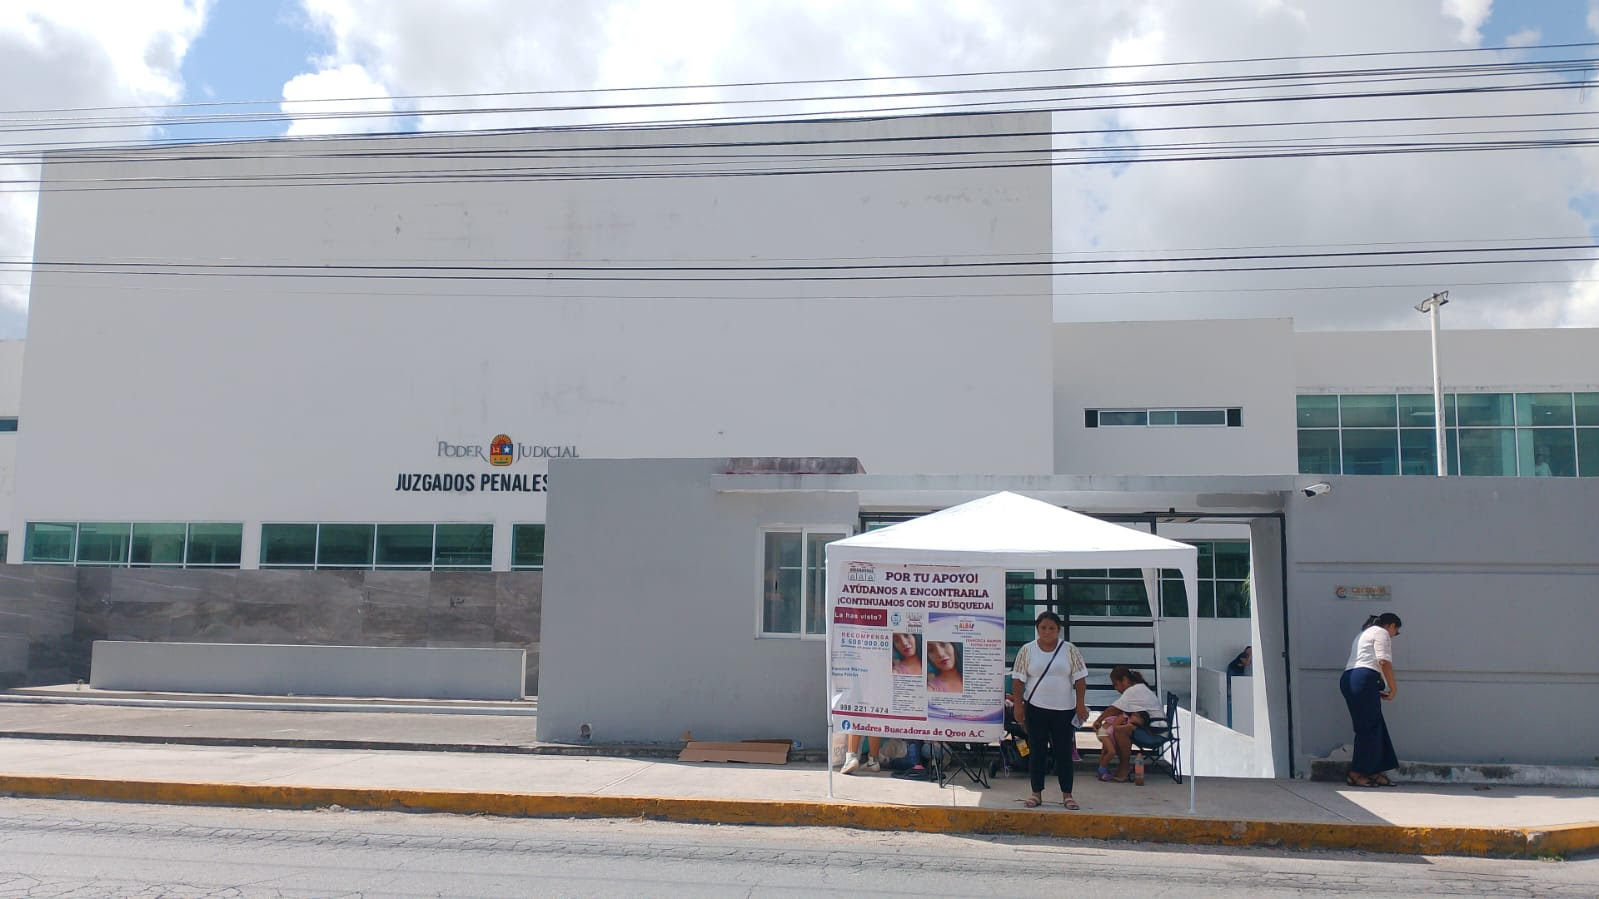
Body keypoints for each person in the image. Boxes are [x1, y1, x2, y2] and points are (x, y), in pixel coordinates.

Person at [1009, 611, 1090, 810]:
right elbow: (1018, 680)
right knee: (1037, 751)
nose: (1047, 632)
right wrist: (1018, 706)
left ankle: (1067, 795)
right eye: (1043, 628)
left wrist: (1080, 704)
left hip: (1064, 710)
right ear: (1037, 629)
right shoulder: (1027, 650)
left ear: (1058, 630)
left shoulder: (1069, 650)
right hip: (1036, 709)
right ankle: (1036, 793)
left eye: (1051, 628)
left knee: (1064, 752)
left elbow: (1080, 680)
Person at [1340, 612, 1403, 787]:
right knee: (1368, 728)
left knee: (1375, 726)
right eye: (1396, 631)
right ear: (1391, 625)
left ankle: (1373, 770)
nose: (1394, 635)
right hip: (1363, 679)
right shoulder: (1380, 632)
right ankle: (1356, 773)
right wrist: (1393, 688)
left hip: (1353, 678)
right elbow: (1383, 662)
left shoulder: (1365, 633)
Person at [1094, 665, 1164, 782]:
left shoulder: (1133, 690)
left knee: (1120, 730)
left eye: (1116, 684)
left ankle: (1124, 768)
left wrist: (1098, 720)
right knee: (1121, 727)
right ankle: (1117, 767)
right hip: (1155, 728)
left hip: (1154, 732)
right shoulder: (1139, 688)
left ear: (1125, 680)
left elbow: (1114, 708)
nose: (1116, 688)